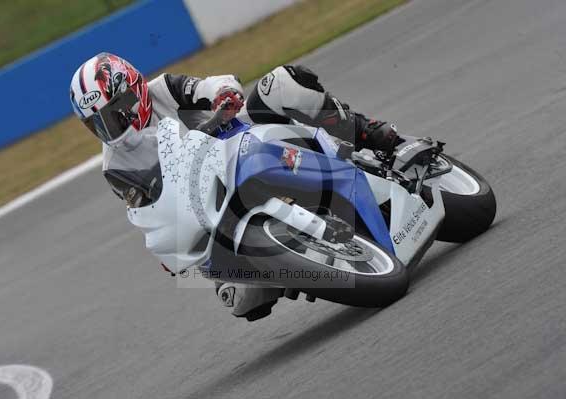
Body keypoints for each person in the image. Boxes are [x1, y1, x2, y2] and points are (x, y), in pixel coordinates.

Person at [69, 52, 398, 321]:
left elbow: (212, 85)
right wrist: (170, 248)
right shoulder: (115, 165)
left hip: (245, 144)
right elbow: (147, 208)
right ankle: (294, 259)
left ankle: (365, 131)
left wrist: (223, 95)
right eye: (95, 122)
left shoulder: (163, 90)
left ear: (133, 92)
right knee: (241, 298)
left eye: (112, 113)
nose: (108, 127)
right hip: (212, 206)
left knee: (280, 84)